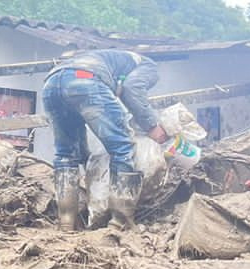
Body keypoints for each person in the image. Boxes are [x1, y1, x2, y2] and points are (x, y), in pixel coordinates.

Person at [41, 49, 168, 231]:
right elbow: (132, 89)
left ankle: (66, 222)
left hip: (52, 83)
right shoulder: (149, 66)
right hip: (85, 79)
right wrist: (151, 125)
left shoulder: (108, 57)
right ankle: (120, 222)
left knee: (66, 154)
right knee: (123, 147)